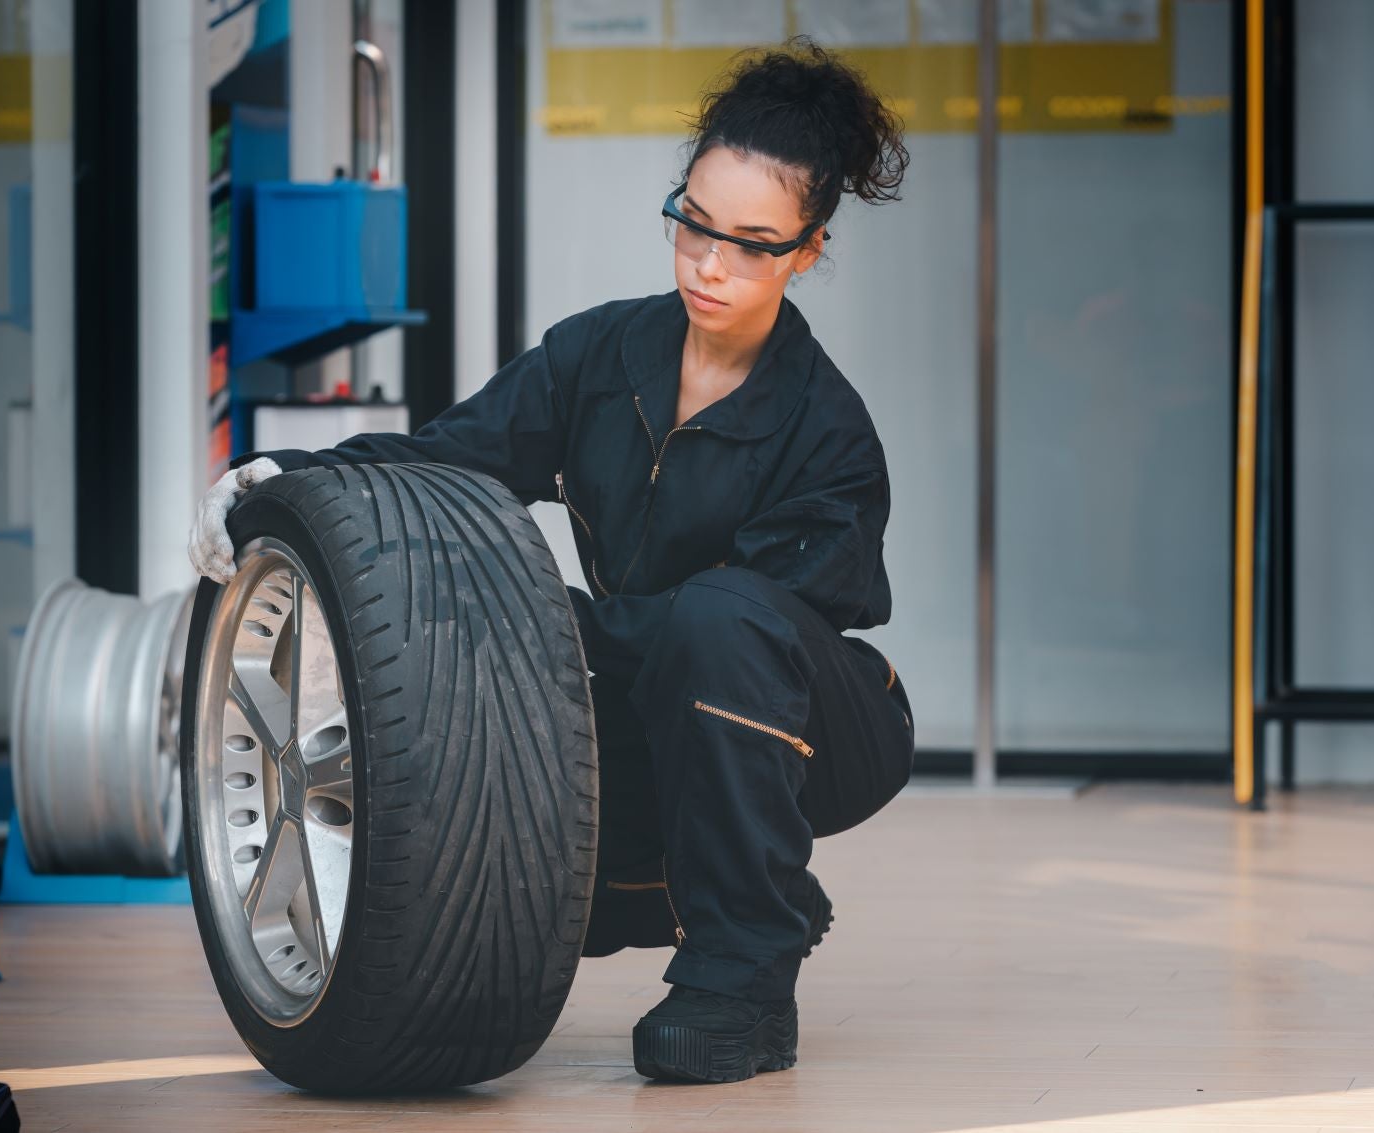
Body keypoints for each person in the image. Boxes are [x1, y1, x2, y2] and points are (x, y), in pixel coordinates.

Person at [189, 37, 915, 1085]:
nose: (710, 264)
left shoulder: (829, 433)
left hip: (817, 724)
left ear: (806, 248)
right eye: (694, 223)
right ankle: (748, 892)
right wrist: (283, 474)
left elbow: (743, 631)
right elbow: (448, 463)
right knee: (507, 829)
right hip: (653, 698)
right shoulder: (597, 354)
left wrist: (539, 624)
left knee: (716, 621)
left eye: (752, 244)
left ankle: (744, 976)